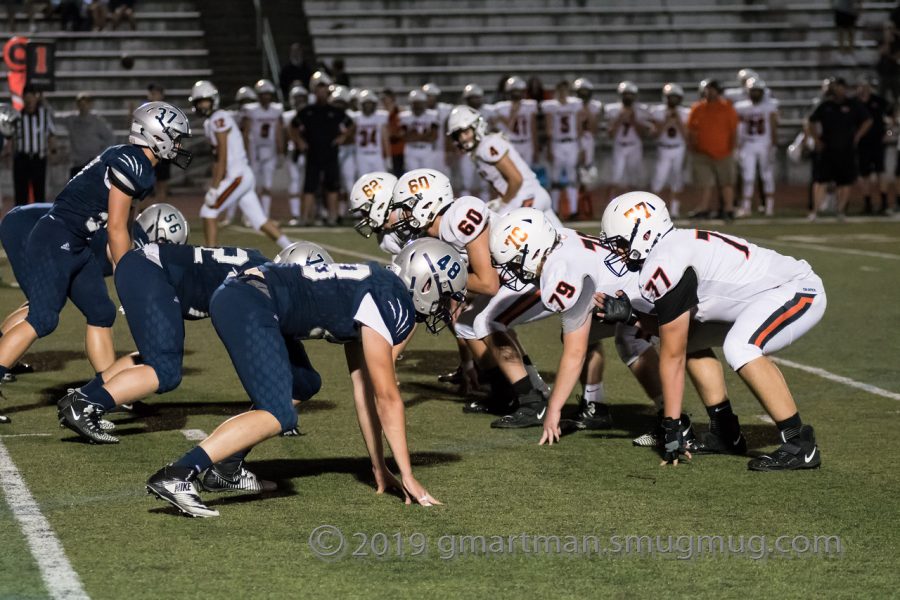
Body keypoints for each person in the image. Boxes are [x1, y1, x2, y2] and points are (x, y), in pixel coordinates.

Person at [145, 238, 466, 517]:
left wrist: (379, 466)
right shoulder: (393, 301)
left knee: (304, 383)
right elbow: (387, 396)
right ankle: (179, 473)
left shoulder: (380, 285)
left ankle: (226, 467)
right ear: (426, 284)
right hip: (250, 301)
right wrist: (407, 474)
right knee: (278, 413)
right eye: (448, 295)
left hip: (250, 295)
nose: (447, 307)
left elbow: (364, 388)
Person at [599, 192, 826, 470]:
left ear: (644, 235)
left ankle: (800, 444)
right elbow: (674, 334)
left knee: (740, 347)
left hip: (796, 289)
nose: (617, 251)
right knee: (692, 340)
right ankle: (725, 434)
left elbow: (672, 356)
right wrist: (631, 315)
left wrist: (671, 427)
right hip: (757, 300)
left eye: (620, 243)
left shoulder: (668, 261)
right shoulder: (671, 250)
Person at [491, 207, 744, 450]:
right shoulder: (559, 239)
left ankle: (676, 422)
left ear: (532, 251)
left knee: (645, 341)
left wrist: (554, 409)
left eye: (514, 263)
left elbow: (574, 353)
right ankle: (601, 408)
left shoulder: (561, 273)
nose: (512, 271)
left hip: (650, 291)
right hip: (637, 286)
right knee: (598, 335)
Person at [0, 101, 191, 406]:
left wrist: (124, 269)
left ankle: (109, 389)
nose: (179, 145)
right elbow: (115, 229)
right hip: (57, 237)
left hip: (77, 242)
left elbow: (122, 229)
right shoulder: (133, 163)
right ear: (157, 135)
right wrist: (131, 282)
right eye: (176, 137)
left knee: (101, 312)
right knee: (43, 317)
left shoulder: (136, 163)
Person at [57, 240, 332, 449]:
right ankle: (86, 405)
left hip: (145, 267)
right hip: (151, 272)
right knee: (164, 370)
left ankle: (82, 396)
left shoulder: (260, 268)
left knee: (155, 357)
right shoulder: (261, 283)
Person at [390, 169, 553, 428]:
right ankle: (504, 393)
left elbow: (488, 282)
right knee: (466, 322)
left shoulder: (459, 216)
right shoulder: (431, 234)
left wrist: (447, 283)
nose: (405, 215)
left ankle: (533, 399)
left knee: (487, 322)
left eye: (408, 208)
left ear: (428, 203)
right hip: (512, 273)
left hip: (535, 271)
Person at [188, 80, 293, 248]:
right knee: (260, 221)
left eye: (205, 101)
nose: (202, 105)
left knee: (208, 211)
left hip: (237, 176)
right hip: (240, 175)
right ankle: (291, 248)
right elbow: (217, 159)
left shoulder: (219, 118)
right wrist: (216, 182)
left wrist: (215, 187)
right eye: (199, 102)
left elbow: (222, 156)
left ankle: (211, 259)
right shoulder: (211, 122)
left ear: (213, 100)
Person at [447, 104, 559, 226]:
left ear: (476, 127)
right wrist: (500, 201)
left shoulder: (487, 146)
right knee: (562, 238)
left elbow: (516, 179)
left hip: (526, 196)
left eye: (466, 132)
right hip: (532, 194)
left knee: (497, 231)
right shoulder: (480, 149)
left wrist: (503, 203)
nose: (463, 138)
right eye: (458, 135)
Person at [807, 77, 872, 220]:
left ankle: (841, 211)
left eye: (838, 87)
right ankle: (815, 211)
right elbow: (810, 121)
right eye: (835, 87)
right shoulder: (825, 104)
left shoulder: (853, 104)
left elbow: (867, 120)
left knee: (845, 181)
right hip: (827, 147)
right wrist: (816, 140)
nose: (836, 90)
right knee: (821, 180)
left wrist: (858, 136)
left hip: (846, 148)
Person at [294, 71, 352, 226]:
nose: (321, 92)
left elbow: (351, 124)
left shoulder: (336, 111)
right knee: (309, 188)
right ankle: (305, 218)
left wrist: (343, 137)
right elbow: (292, 126)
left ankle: (332, 218)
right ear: (314, 90)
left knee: (332, 187)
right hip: (312, 154)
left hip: (330, 154)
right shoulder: (307, 111)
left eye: (324, 88)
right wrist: (299, 141)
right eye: (319, 88)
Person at [686, 79, 739, 220]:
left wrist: (732, 148)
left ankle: (728, 209)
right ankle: (704, 208)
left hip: (724, 151)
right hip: (701, 152)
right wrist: (692, 146)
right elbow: (691, 129)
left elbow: (733, 131)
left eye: (712, 89)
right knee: (704, 183)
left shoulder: (727, 108)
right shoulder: (697, 108)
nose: (709, 92)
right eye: (707, 89)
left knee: (726, 182)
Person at [734, 78, 779, 217]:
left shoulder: (770, 106)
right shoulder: (741, 107)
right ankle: (746, 207)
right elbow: (739, 128)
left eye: (757, 91)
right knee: (748, 177)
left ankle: (769, 207)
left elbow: (773, 126)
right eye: (753, 91)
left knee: (767, 176)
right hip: (748, 144)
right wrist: (738, 145)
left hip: (764, 144)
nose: (755, 93)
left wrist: (773, 144)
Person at [241, 79, 285, 218]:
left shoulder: (276, 110)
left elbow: (278, 132)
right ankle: (250, 215)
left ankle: (264, 215)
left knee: (267, 184)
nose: (265, 96)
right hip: (254, 150)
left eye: (267, 93)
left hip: (270, 150)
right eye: (263, 93)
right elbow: (246, 133)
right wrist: (246, 153)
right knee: (251, 184)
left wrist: (281, 151)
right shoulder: (251, 110)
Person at [541, 80, 582, 218]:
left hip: (572, 142)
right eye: (561, 90)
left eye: (565, 90)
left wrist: (580, 146)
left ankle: (574, 210)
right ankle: (555, 210)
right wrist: (550, 148)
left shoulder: (575, 104)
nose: (563, 93)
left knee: (572, 177)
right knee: (555, 178)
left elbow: (578, 126)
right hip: (557, 143)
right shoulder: (551, 106)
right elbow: (548, 129)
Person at [11, 85, 57, 205]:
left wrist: (53, 152)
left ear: (36, 99)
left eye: (31, 99)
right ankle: (21, 221)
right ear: (23, 99)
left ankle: (37, 221)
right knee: (21, 194)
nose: (29, 102)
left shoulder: (44, 115)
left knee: (39, 193)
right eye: (27, 99)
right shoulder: (17, 117)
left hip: (38, 159)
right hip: (22, 159)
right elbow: (11, 138)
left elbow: (51, 135)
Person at [605, 81, 650, 200]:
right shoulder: (613, 109)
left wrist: (633, 120)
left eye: (630, 94)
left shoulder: (641, 110)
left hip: (635, 145)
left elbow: (644, 134)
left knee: (634, 176)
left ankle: (634, 202)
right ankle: (611, 203)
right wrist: (620, 118)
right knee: (615, 176)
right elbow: (610, 133)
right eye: (625, 94)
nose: (628, 97)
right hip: (619, 145)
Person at [650, 83, 689, 219]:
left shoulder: (685, 113)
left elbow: (686, 136)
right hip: (663, 147)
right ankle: (655, 210)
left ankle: (674, 210)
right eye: (670, 97)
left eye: (675, 97)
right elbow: (655, 134)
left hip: (679, 147)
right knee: (659, 179)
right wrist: (666, 122)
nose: (672, 100)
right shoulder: (657, 111)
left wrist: (678, 121)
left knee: (677, 179)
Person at [58, 92, 115, 178]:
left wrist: (100, 156)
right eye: (81, 104)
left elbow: (110, 138)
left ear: (90, 105)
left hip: (94, 164)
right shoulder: (71, 120)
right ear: (77, 105)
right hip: (77, 164)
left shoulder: (97, 120)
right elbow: (53, 118)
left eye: (86, 104)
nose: (83, 107)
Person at [855, 78, 891, 214]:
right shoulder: (855, 103)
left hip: (877, 142)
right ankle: (868, 204)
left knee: (880, 172)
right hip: (862, 143)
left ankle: (884, 203)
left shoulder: (879, 101)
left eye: (866, 86)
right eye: (861, 86)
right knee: (864, 174)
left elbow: (892, 116)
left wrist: (889, 132)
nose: (863, 89)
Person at [493, 76, 539, 166]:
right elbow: (508, 128)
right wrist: (514, 112)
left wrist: (535, 149)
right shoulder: (501, 107)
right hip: (511, 143)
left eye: (519, 91)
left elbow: (533, 129)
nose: (517, 94)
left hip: (527, 143)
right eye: (514, 91)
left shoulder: (530, 105)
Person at [457, 83, 492, 197]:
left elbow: (494, 128)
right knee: (466, 183)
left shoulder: (488, 111)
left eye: (478, 97)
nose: (476, 100)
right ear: (467, 99)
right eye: (473, 97)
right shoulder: (460, 112)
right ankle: (464, 207)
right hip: (467, 149)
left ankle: (487, 207)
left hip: (484, 149)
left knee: (485, 182)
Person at [349, 89, 390, 179]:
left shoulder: (380, 117)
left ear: (374, 104)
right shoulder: (356, 117)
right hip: (361, 155)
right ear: (361, 104)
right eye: (366, 103)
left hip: (377, 154)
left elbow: (385, 138)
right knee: (363, 183)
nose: (368, 106)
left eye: (370, 103)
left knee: (382, 181)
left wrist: (388, 157)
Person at [282, 84, 308, 226]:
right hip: (293, 152)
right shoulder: (288, 116)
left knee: (306, 184)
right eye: (296, 98)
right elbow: (285, 135)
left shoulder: (310, 113)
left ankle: (307, 213)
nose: (299, 100)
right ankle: (296, 214)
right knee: (294, 182)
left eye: (301, 97)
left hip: (308, 152)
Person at [400, 89, 438, 171]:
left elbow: (433, 137)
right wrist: (424, 137)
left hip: (427, 150)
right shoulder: (405, 116)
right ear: (411, 104)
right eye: (415, 104)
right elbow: (405, 137)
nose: (418, 106)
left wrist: (415, 137)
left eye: (420, 104)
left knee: (428, 175)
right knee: (412, 176)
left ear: (424, 103)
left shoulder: (432, 115)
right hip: (411, 150)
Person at [422, 82, 453, 171]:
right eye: (427, 96)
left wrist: (449, 151)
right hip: (425, 149)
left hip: (441, 149)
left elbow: (448, 131)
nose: (428, 99)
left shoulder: (444, 109)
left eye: (431, 96)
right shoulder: (419, 111)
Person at [382, 88, 405, 176]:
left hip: (399, 149)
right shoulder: (380, 113)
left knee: (399, 175)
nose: (384, 100)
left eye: (386, 98)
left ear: (392, 98)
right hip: (384, 151)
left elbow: (404, 131)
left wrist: (392, 134)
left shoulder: (401, 112)